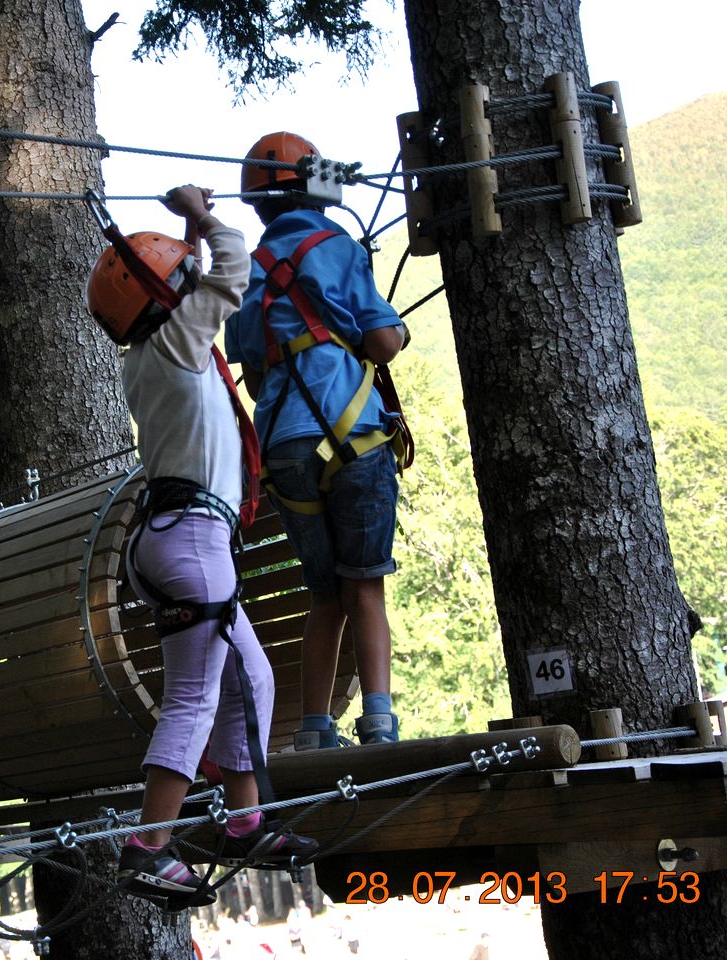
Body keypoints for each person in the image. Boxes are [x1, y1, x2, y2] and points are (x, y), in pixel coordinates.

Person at [86, 185, 317, 910]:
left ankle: (245, 823)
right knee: (193, 697)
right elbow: (235, 264)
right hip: (192, 540)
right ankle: (148, 845)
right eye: (179, 275)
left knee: (251, 679)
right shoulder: (182, 341)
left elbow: (194, 285)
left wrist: (185, 239)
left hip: (170, 538)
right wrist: (204, 217)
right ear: (165, 295)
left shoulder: (147, 357)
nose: (190, 280)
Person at [225, 131, 410, 750]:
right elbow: (382, 343)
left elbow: (255, 377)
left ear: (258, 206)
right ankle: (378, 721)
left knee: (324, 591)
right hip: (353, 433)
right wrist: (391, 333)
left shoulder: (244, 273)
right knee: (365, 585)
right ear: (319, 190)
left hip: (284, 447)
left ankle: (313, 727)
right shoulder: (338, 247)